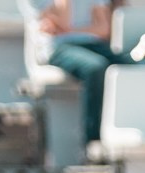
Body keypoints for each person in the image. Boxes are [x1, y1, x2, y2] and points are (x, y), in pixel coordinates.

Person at [16, 0, 126, 149]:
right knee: (95, 68)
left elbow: (103, 29)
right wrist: (78, 29)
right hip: (59, 48)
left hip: (93, 44)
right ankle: (92, 143)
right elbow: (63, 21)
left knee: (134, 67)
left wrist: (71, 31)